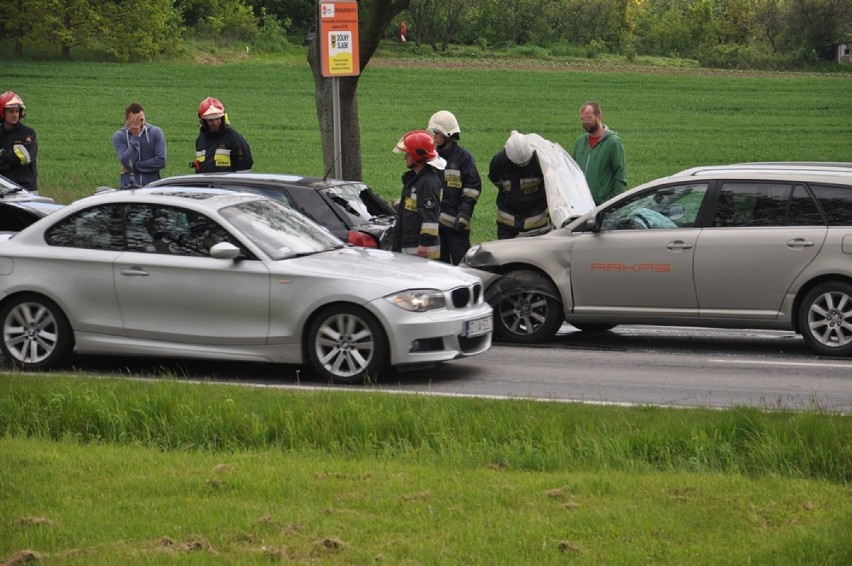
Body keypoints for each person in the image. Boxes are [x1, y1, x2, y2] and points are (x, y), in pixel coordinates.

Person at [427, 110, 482, 265]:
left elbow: (473, 187)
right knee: (439, 266)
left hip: (457, 226)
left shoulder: (463, 158)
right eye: (434, 132)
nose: (435, 136)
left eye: (437, 132)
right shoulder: (432, 157)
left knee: (462, 265)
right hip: (435, 225)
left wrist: (464, 213)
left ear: (448, 134)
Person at [391, 130, 446, 259]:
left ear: (417, 156)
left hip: (421, 251)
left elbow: (430, 217)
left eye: (407, 154)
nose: (405, 157)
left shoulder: (427, 183)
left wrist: (424, 244)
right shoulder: (416, 180)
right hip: (411, 246)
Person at [487, 130, 548, 239]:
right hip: (507, 221)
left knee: (536, 255)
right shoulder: (499, 161)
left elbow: (549, 184)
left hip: (536, 222)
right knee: (504, 254)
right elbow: (494, 178)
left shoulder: (540, 160)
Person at [572, 101, 627, 205]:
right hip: (582, 204)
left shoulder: (613, 142)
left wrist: (614, 203)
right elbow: (573, 171)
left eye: (589, 118)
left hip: (603, 206)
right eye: (582, 119)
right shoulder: (580, 141)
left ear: (599, 117)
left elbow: (620, 175)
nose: (585, 122)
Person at [111, 102, 167, 188]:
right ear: (126, 120)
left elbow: (161, 161)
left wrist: (134, 167)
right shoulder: (119, 137)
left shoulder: (156, 132)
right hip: (128, 189)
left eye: (141, 120)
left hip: (152, 188)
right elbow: (126, 162)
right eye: (135, 121)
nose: (139, 124)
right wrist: (135, 137)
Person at [190, 97, 253, 173]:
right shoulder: (201, 139)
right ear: (202, 121)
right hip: (205, 184)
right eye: (210, 120)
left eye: (217, 119)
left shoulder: (234, 139)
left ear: (223, 118)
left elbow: (245, 168)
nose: (215, 123)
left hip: (227, 184)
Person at [0, 91, 38, 193]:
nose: (15, 115)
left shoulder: (28, 133)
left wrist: (2, 153)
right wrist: (9, 155)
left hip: (26, 191)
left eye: (17, 111)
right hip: (4, 191)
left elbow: (24, 157)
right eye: (11, 112)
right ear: (2, 113)